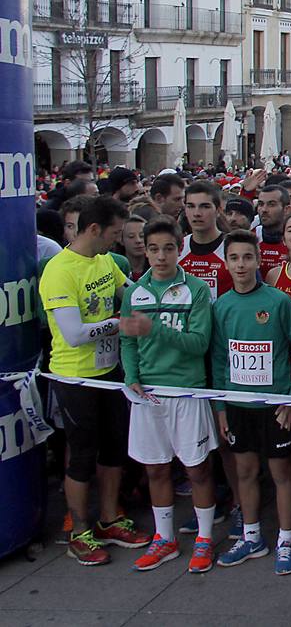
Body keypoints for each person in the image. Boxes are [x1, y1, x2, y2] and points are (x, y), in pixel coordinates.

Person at [40, 195, 151, 565]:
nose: (117, 241)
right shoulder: (59, 270)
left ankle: (109, 518)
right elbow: (72, 333)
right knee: (82, 456)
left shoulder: (104, 260)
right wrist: (120, 325)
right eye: (114, 233)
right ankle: (79, 530)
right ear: (93, 229)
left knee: (114, 450)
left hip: (110, 372)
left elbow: (129, 294)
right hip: (76, 378)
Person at [119, 217, 219, 573]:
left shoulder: (196, 289)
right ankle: (166, 539)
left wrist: (156, 329)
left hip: (187, 391)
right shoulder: (134, 291)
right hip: (149, 395)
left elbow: (198, 344)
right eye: (153, 249)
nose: (160, 256)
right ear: (144, 251)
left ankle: (205, 538)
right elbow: (128, 340)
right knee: (156, 469)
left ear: (180, 249)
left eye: (168, 249)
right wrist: (131, 375)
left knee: (197, 471)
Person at [210, 230, 291, 574]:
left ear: (258, 261)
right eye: (234, 258)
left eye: (247, 257)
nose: (240, 264)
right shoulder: (221, 306)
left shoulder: (279, 302)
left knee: (281, 472)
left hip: (275, 406)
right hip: (238, 406)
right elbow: (220, 358)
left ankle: (286, 540)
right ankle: (252, 537)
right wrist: (221, 407)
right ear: (226, 261)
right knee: (245, 471)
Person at [180, 180, 234, 300]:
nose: (197, 213)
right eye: (191, 206)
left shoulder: (234, 247)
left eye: (205, 206)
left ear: (218, 210)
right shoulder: (178, 248)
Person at [254, 184, 291, 274]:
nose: (264, 209)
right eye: (261, 204)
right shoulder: (250, 237)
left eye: (271, 204)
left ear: (286, 209)